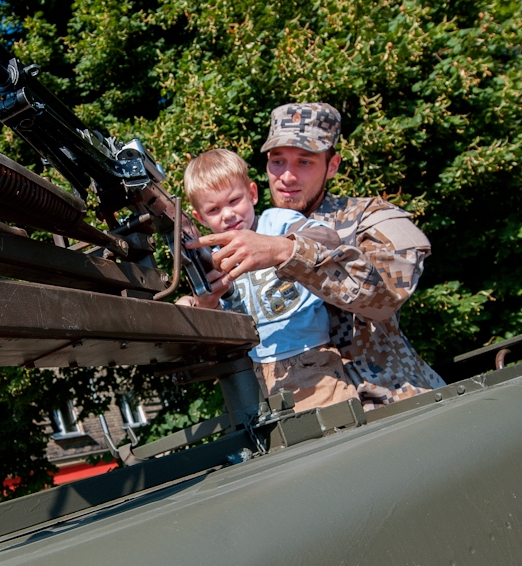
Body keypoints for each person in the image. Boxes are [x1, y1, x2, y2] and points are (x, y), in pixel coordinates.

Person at [197, 103, 444, 408]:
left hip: (393, 402)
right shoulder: (245, 232)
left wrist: (285, 250)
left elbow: (384, 296)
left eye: (304, 162)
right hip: (299, 410)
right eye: (277, 161)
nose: (287, 176)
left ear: (332, 165)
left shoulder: (372, 218)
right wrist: (203, 304)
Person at [178, 149, 359, 410]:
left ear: (252, 193)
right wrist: (202, 304)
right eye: (214, 209)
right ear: (200, 218)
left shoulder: (277, 223)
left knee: (340, 426)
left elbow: (328, 240)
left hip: (311, 359)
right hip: (258, 372)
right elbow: (221, 322)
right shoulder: (213, 261)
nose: (228, 214)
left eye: (234, 200)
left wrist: (274, 247)